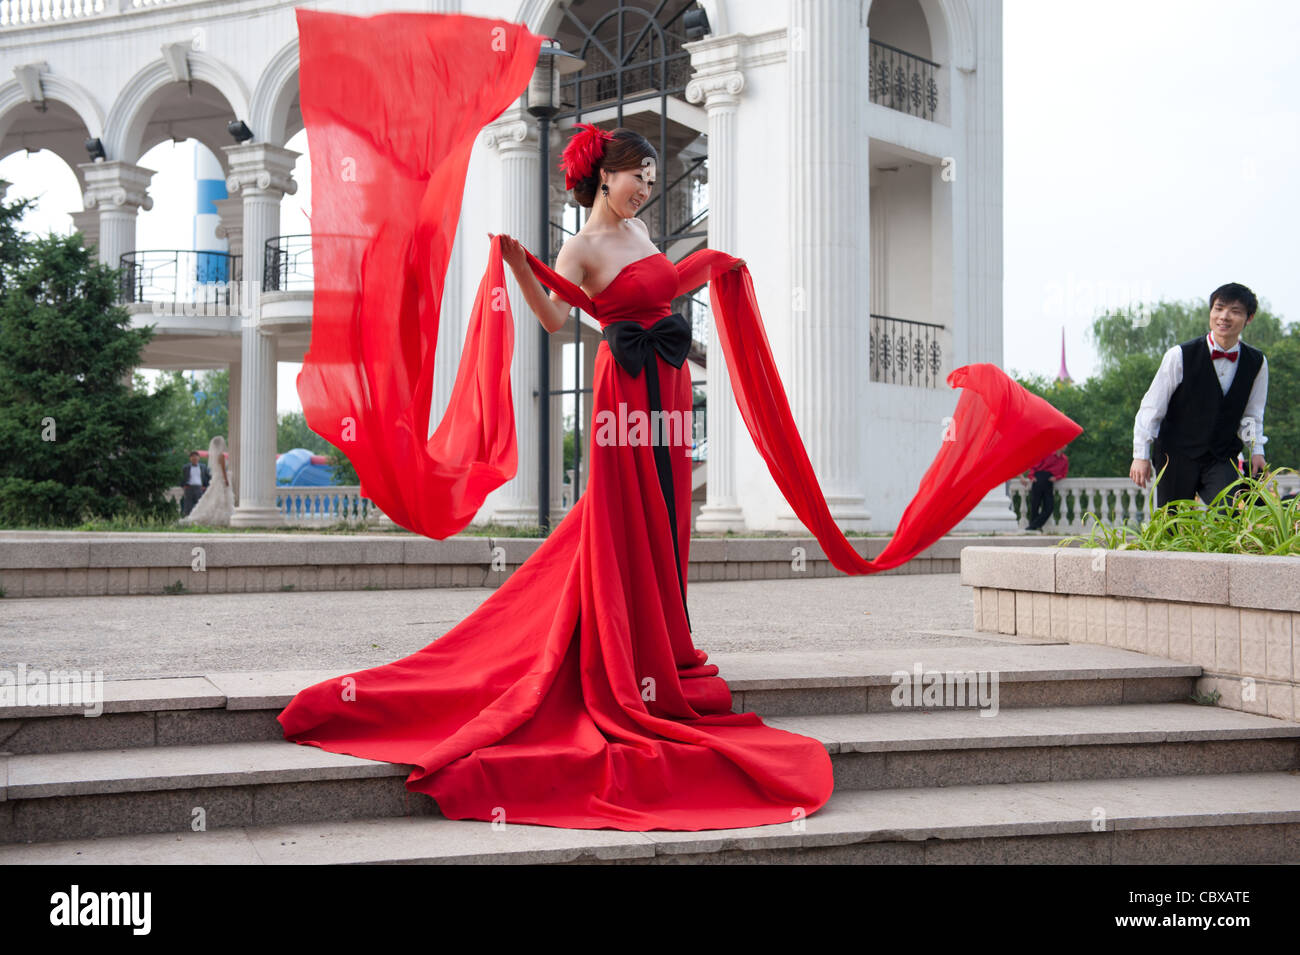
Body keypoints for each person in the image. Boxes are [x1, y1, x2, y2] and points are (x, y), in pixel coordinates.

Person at [278, 9, 1082, 832]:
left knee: (665, 523)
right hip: (622, 395)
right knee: (623, 521)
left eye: (652, 178)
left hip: (663, 388)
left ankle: (661, 648)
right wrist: (523, 271)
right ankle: (631, 667)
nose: (648, 187)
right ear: (602, 176)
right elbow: (560, 324)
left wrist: (706, 289)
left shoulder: (639, 235)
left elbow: (662, 293)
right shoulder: (581, 248)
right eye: (637, 176)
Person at [1130, 283, 1268, 511]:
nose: (1224, 317)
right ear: (1211, 312)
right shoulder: (1179, 356)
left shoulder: (1257, 362)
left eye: (1235, 311)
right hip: (1174, 455)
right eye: (1219, 308)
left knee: (1231, 514)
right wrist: (1140, 455)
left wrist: (1256, 450)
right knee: (1169, 524)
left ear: (1249, 318)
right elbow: (1151, 409)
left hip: (1222, 455)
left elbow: (1252, 414)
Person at [179, 436, 235, 526]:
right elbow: (223, 469)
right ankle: (220, 518)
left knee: (213, 498)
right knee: (220, 498)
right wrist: (226, 480)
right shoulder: (221, 456)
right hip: (220, 478)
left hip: (215, 478)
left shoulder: (214, 456)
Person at [1019, 446, 1068, 531]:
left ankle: (1033, 526)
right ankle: (1034, 527)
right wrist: (1031, 476)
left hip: (1049, 481)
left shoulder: (1064, 459)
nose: (1066, 445)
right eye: (1064, 444)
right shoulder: (1048, 454)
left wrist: (1056, 477)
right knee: (1035, 505)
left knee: (1049, 507)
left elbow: (1064, 473)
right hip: (1039, 478)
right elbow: (1035, 465)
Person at [179, 450, 209, 517]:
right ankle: (187, 519)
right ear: (190, 458)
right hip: (189, 487)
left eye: (196, 457)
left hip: (199, 488)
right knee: (188, 505)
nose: (194, 459)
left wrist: (205, 486)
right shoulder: (185, 467)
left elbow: (207, 477)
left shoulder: (203, 467)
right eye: (193, 457)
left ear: (199, 458)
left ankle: (199, 518)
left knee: (200, 505)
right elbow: (181, 477)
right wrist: (183, 485)